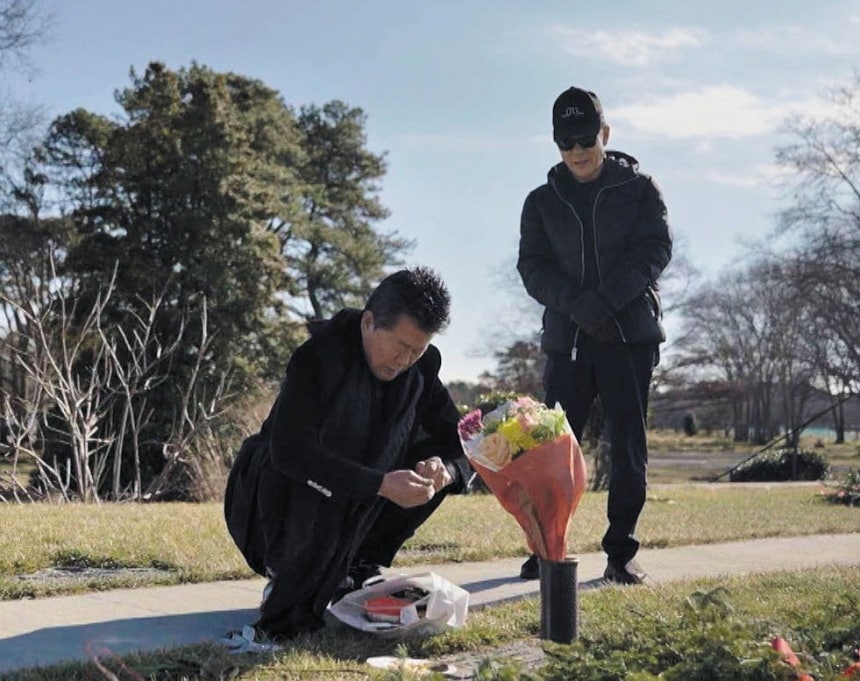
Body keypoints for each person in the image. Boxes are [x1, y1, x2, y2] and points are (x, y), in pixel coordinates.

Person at [223, 267, 473, 641]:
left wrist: (445, 470)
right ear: (368, 322)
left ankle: (354, 565)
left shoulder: (420, 368)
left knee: (426, 463)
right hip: (272, 496)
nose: (405, 360)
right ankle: (289, 573)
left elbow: (462, 442)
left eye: (417, 350)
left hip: (357, 491)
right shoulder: (319, 356)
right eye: (401, 346)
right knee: (330, 453)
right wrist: (379, 484)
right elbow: (291, 452)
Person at [516, 86, 672, 585]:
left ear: (604, 133)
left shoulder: (641, 189)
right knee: (551, 452)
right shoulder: (541, 202)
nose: (578, 150)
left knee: (627, 447)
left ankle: (621, 553)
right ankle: (545, 549)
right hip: (569, 341)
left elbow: (654, 251)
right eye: (566, 142)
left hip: (629, 337)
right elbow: (532, 267)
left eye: (586, 138)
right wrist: (577, 306)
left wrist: (604, 302)